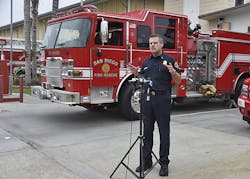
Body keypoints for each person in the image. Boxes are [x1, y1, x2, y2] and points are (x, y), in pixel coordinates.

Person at [128, 34, 181, 176]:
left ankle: (164, 163)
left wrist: (173, 71)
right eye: (150, 43)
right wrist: (136, 74)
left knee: (164, 133)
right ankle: (147, 161)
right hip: (147, 101)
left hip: (162, 101)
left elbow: (178, 80)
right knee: (147, 133)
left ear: (162, 44)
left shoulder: (169, 61)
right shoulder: (147, 62)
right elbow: (144, 79)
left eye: (155, 43)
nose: (152, 45)